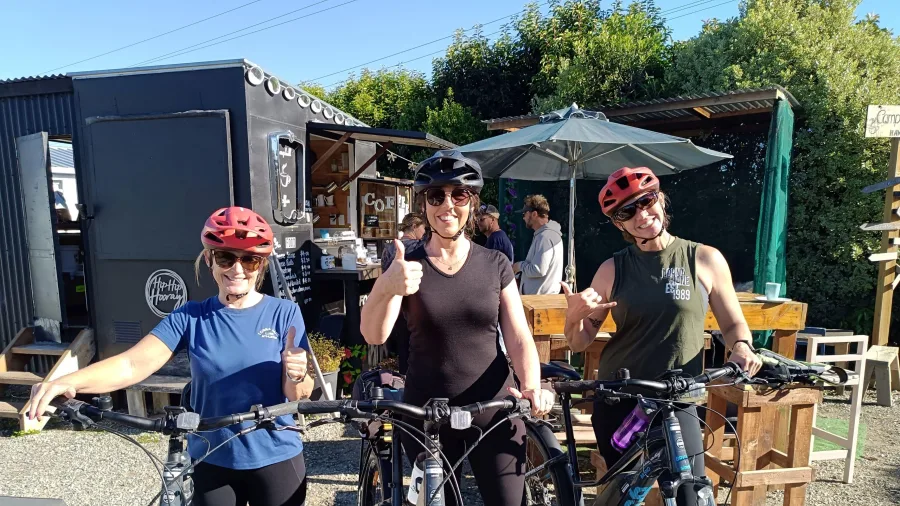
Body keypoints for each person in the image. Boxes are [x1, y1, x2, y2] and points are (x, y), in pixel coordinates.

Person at [28, 206, 315, 506]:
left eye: (250, 260)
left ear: (261, 265)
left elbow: (298, 394)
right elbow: (132, 363)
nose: (237, 269)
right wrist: (63, 382)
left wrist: (298, 373)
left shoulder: (284, 313)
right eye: (226, 257)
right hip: (212, 455)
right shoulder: (191, 316)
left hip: (276, 455)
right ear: (209, 259)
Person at [360, 149, 555, 506]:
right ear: (424, 204)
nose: (447, 204)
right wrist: (387, 285)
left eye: (459, 194)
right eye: (436, 195)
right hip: (426, 415)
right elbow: (375, 335)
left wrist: (531, 387)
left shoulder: (494, 262)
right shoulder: (406, 263)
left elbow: (518, 335)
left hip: (494, 407)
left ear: (472, 202)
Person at [561, 166, 762, 506]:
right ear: (619, 223)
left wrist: (742, 346)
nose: (642, 215)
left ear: (661, 199)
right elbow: (579, 342)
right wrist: (574, 317)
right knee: (622, 495)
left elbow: (732, 324)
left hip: (678, 397)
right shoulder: (612, 269)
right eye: (627, 211)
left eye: (647, 201)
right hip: (620, 398)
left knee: (690, 491)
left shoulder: (704, 259)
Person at [379, 212, 426, 374]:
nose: (424, 232)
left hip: (393, 302)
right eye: (423, 228)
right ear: (414, 226)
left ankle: (403, 380)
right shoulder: (418, 247)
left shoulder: (389, 247)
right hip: (414, 302)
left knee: (403, 346)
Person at [513, 194, 564, 295]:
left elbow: (538, 270)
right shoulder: (545, 234)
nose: (523, 218)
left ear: (534, 214)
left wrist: (519, 266)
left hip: (540, 304)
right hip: (540, 302)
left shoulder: (545, 236)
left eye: (524, 214)